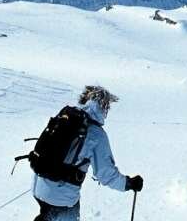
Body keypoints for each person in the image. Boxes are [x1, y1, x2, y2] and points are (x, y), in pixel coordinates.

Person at [31, 86, 143, 221]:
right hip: (62, 199)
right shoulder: (96, 134)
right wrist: (128, 184)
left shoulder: (66, 117)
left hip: (39, 186)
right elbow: (105, 174)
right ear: (104, 107)